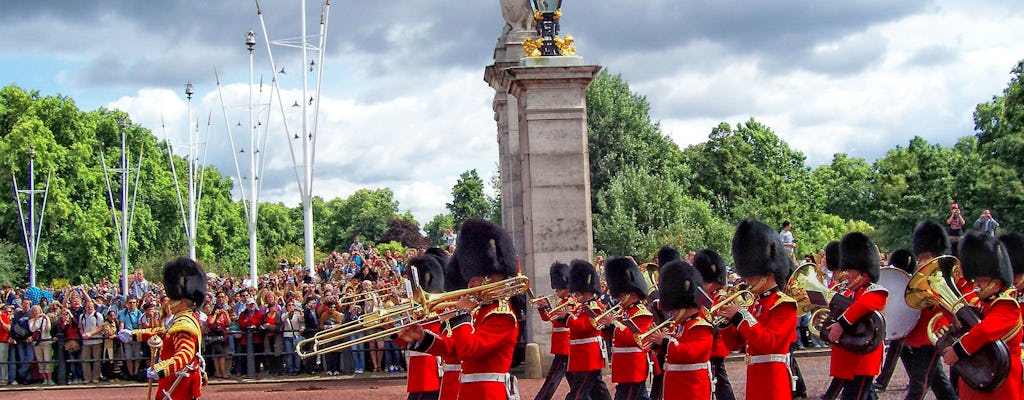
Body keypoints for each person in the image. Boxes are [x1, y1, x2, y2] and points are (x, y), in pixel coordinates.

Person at [397, 218, 522, 400]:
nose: (469, 284)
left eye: (474, 278)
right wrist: (423, 338)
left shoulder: (502, 315)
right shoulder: (482, 312)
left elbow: (469, 349)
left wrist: (460, 315)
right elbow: (454, 349)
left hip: (488, 394)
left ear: (492, 279)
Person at [716, 219, 797, 400]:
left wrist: (741, 316)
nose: (748, 280)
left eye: (751, 275)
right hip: (754, 380)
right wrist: (727, 322)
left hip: (774, 383)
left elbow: (769, 342)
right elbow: (735, 344)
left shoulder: (784, 304)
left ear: (768, 271)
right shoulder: (754, 304)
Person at [942, 231, 1023, 399]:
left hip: (1000, 378)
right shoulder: (982, 306)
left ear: (997, 281)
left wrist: (958, 350)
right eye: (975, 280)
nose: (977, 285)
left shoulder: (1006, 305)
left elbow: (985, 331)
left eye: (982, 281)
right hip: (979, 375)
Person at [118, 257, 208, 400]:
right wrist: (135, 335)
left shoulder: (184, 322)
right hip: (176, 382)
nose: (169, 302)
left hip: (178, 384)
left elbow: (184, 355)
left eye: (172, 298)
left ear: (183, 301)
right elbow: (164, 332)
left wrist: (161, 369)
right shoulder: (183, 317)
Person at [899, 221, 958, 400]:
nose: (921, 261)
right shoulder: (922, 277)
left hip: (934, 332)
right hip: (921, 333)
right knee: (938, 382)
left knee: (919, 382)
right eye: (921, 257)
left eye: (926, 257)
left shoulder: (943, 276)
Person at [825, 232, 888, 399]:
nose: (848, 276)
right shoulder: (848, 292)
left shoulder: (875, 292)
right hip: (849, 354)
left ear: (864, 274)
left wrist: (841, 325)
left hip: (863, 357)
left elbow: (863, 306)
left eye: (852, 272)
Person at [645, 259, 714, 400]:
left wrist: (664, 341)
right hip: (675, 387)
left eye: (674, 309)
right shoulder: (678, 326)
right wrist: (657, 342)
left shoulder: (701, 326)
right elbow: (673, 353)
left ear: (684, 305)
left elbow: (689, 354)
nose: (672, 312)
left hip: (692, 389)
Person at [602, 257, 655, 400]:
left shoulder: (641, 313)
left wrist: (614, 325)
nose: (618, 298)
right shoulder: (622, 312)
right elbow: (612, 338)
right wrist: (606, 328)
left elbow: (637, 339)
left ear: (631, 293)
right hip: (624, 367)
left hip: (633, 368)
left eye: (620, 294)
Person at [562, 259, 612, 400]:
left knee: (577, 393)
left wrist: (567, 318)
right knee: (598, 391)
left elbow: (584, 327)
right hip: (582, 356)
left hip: (589, 356)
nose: (576, 294)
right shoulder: (581, 307)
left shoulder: (595, 307)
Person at [692, 249, 737, 400]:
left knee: (719, 381)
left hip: (715, 345)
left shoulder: (721, 297)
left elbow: (722, 322)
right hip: (704, 344)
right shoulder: (705, 295)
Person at [403, 253, 447, 400]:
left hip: (431, 366)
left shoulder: (439, 307)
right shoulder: (415, 308)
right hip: (417, 367)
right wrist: (389, 328)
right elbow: (406, 343)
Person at [533, 262, 572, 400]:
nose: (556, 291)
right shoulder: (562, 302)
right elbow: (547, 318)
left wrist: (547, 308)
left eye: (558, 288)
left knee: (552, 380)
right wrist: (542, 307)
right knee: (576, 383)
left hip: (566, 346)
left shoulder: (571, 302)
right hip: (561, 345)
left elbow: (557, 320)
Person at [118, 297, 144, 380]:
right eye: (130, 302)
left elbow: (140, 325)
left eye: (133, 302)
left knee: (137, 356)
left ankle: (136, 372)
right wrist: (121, 334)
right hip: (127, 337)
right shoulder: (124, 313)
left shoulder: (139, 313)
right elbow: (121, 324)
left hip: (136, 336)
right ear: (127, 304)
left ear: (136, 304)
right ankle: (130, 373)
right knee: (128, 356)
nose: (132, 304)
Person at [80, 301, 105, 383]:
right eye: (88, 306)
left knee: (96, 360)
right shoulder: (82, 316)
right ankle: (87, 378)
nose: (90, 308)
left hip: (96, 340)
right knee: (85, 359)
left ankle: (96, 377)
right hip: (86, 342)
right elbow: (81, 327)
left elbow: (100, 327)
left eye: (91, 306)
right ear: (85, 307)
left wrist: (90, 334)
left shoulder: (98, 315)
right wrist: (83, 334)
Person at [10, 298, 33, 385]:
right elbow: (13, 326)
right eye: (25, 303)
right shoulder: (17, 314)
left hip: (29, 340)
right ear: (22, 304)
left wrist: (32, 336)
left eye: (28, 303)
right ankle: (26, 379)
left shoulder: (31, 314)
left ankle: (20, 374)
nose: (26, 305)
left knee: (29, 359)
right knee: (22, 359)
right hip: (19, 340)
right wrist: (11, 336)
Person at [29, 305, 53, 385]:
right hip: (37, 343)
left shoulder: (45, 319)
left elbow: (48, 328)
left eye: (37, 310)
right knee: (40, 361)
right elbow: (33, 329)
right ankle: (44, 379)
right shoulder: (31, 321)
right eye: (34, 311)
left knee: (47, 360)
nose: (36, 312)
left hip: (46, 341)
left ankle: (50, 379)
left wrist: (46, 318)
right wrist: (36, 320)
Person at [0, 304, 11, 386]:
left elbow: (8, 329)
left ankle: (4, 378)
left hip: (2, 341)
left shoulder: (3, 316)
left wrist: (1, 321)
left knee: (2, 361)